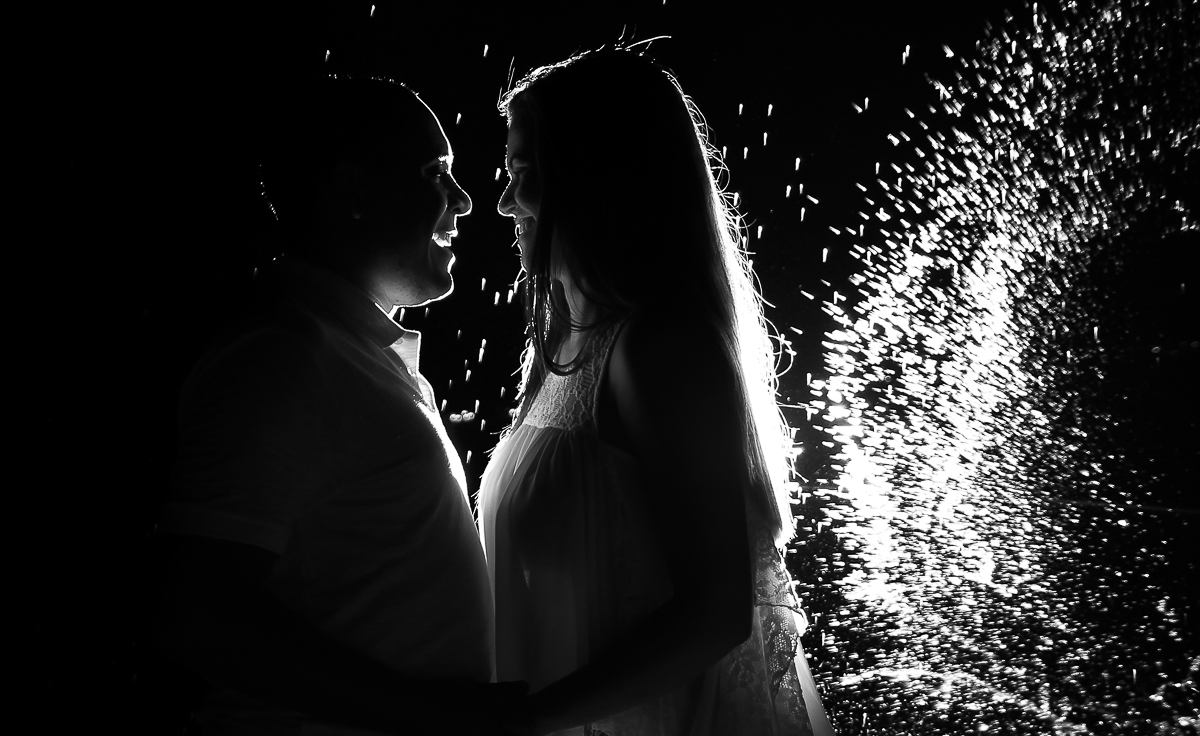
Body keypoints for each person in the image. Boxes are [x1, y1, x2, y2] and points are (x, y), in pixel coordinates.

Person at [477, 47, 836, 736]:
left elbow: (715, 613)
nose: (503, 203)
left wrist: (522, 721)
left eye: (524, 174)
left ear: (592, 179)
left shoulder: (657, 350)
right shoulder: (560, 354)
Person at [152, 76, 523, 735]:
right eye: (437, 173)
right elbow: (198, 611)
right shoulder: (283, 360)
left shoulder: (349, 353)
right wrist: (434, 714)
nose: (464, 202)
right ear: (353, 194)